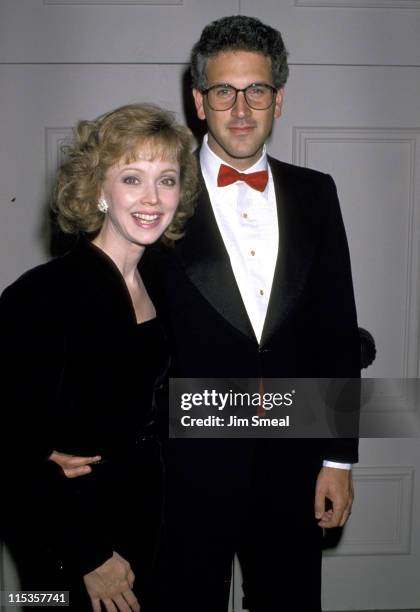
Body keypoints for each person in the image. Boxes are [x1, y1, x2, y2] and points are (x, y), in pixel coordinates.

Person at [138, 15, 361, 612]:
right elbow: (103, 326)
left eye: (256, 90)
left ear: (279, 99)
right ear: (198, 100)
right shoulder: (153, 195)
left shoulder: (318, 193)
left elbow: (336, 330)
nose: (240, 109)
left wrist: (338, 458)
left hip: (293, 467)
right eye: (223, 91)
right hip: (181, 474)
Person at [0, 103, 197, 611]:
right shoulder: (44, 294)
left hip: (151, 522)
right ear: (98, 191)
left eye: (167, 180)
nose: (153, 198)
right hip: (74, 541)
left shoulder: (165, 281)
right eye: (133, 178)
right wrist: (87, 554)